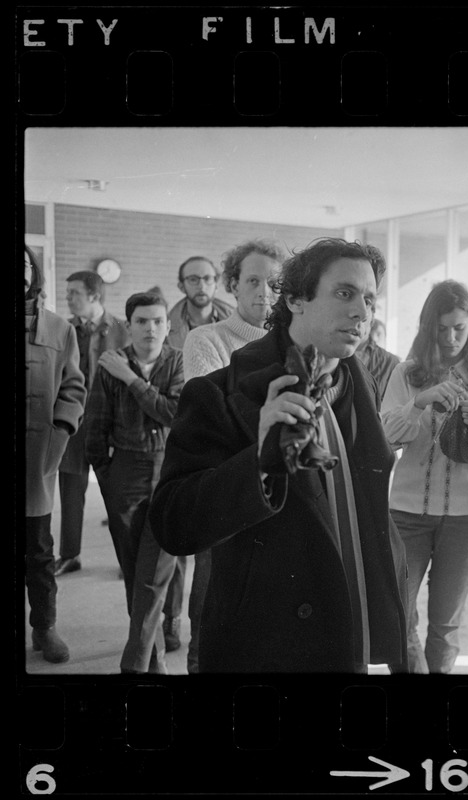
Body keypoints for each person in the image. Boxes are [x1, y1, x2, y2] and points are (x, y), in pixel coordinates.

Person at [149, 238, 408, 673]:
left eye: (369, 299)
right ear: (294, 299)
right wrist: (257, 460)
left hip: (352, 625)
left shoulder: (359, 385)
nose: (362, 313)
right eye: (344, 293)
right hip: (269, 643)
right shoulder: (218, 391)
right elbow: (173, 523)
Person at [381, 279, 468, 674]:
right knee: (398, 615)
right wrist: (418, 404)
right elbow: (386, 436)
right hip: (405, 511)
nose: (451, 337)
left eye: (460, 328)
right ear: (427, 328)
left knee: (446, 623)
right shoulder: (406, 373)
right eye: (442, 329)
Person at [180, 237, 284, 673]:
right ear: (233, 286)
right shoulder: (207, 339)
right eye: (254, 281)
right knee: (213, 609)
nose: (265, 292)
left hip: (279, 494)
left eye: (275, 284)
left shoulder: (293, 341)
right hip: (226, 487)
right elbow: (219, 424)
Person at [85, 292, 185, 625]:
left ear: (168, 326)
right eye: (141, 321)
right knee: (131, 557)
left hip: (169, 464)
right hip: (125, 467)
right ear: (129, 326)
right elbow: (96, 426)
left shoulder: (178, 362)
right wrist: (108, 475)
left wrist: (131, 379)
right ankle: (141, 629)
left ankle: (169, 623)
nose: (150, 329)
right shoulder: (109, 364)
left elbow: (173, 414)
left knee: (171, 550)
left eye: (158, 321)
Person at [162, 254, 234, 651]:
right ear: (182, 284)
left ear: (218, 281)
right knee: (175, 547)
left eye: (207, 278)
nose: (201, 285)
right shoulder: (167, 324)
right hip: (175, 438)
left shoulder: (230, 322)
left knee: (209, 555)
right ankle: (170, 622)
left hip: (213, 445)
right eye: (193, 279)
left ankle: (199, 649)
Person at [23, 245, 87, 663]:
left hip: (36, 459)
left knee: (39, 552)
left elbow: (73, 387)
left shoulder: (61, 330)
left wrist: (61, 430)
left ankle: (44, 627)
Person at [56, 270, 129, 576]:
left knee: (117, 495)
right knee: (70, 492)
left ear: (95, 296)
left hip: (110, 423)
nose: (68, 298)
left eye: (74, 292)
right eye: (68, 292)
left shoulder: (123, 330)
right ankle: (70, 555)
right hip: (72, 422)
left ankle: (128, 560)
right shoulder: (62, 329)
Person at [354, 317, 400, 403]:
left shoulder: (391, 362)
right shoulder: (337, 355)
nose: (375, 339)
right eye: (373, 333)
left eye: (379, 334)